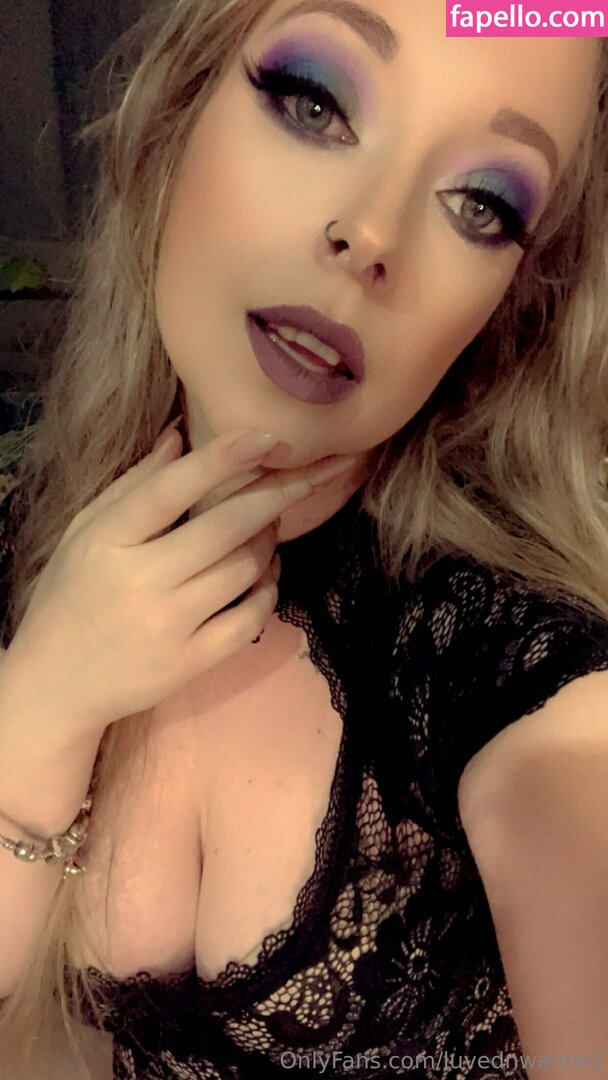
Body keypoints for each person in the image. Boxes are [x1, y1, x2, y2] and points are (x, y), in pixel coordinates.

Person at [0, 0, 607, 1077]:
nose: (369, 236)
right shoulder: (32, 530)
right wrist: (38, 710)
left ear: (508, 303)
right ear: (176, 114)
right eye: (314, 102)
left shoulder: (512, 675)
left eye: (480, 202)